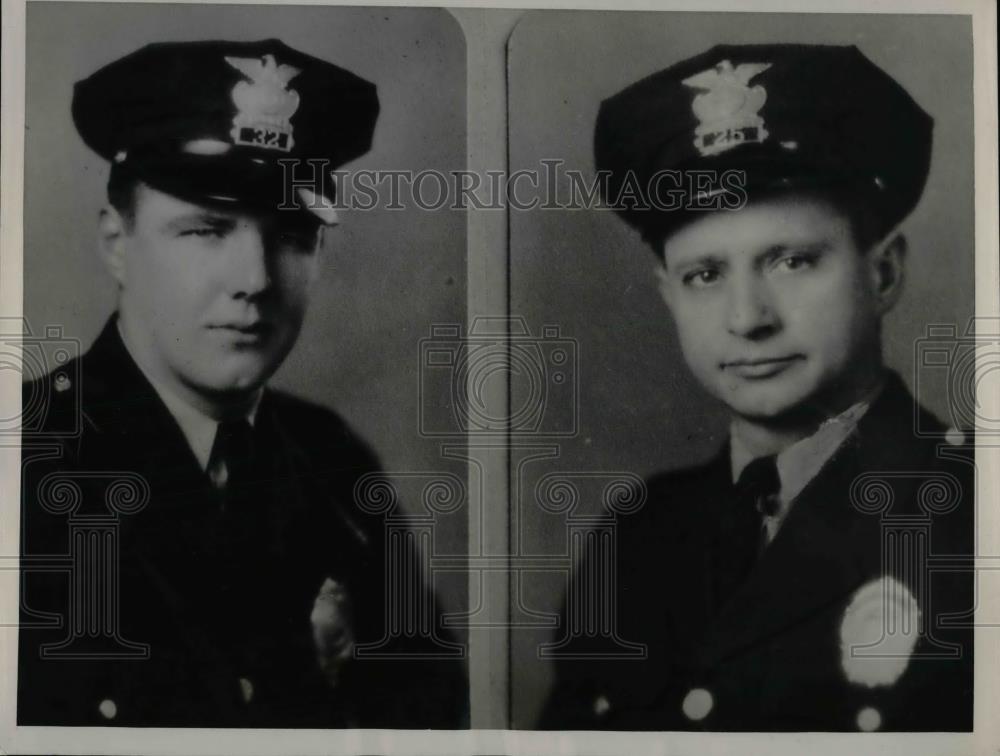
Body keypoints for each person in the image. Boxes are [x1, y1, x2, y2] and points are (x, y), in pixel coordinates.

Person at [19, 38, 466, 728]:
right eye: (205, 231)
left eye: (290, 234)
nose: (254, 281)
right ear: (117, 245)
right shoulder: (22, 465)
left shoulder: (333, 461)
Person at [540, 44, 974, 732]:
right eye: (705, 276)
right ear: (667, 295)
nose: (748, 320)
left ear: (883, 272)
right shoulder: (639, 537)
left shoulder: (978, 517)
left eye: (793, 261)